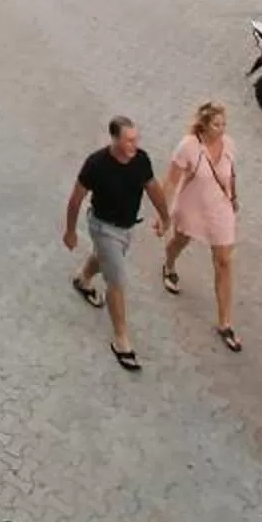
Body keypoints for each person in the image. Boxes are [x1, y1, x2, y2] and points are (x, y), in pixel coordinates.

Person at [61, 115, 166, 371]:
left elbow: (153, 187)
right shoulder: (96, 164)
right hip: (103, 227)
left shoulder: (141, 160)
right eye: (129, 140)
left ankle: (83, 279)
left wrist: (166, 216)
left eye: (136, 139)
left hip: (127, 227)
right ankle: (121, 340)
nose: (134, 144)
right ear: (115, 139)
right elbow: (76, 199)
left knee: (106, 260)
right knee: (117, 280)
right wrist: (70, 232)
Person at [159, 101, 245, 353]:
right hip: (193, 207)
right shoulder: (188, 147)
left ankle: (225, 323)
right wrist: (163, 215)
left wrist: (234, 197)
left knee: (224, 262)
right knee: (180, 240)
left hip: (220, 209)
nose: (222, 129)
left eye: (224, 124)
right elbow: (171, 181)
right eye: (217, 124)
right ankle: (169, 264)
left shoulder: (228, 144)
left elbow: (231, 173)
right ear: (204, 125)